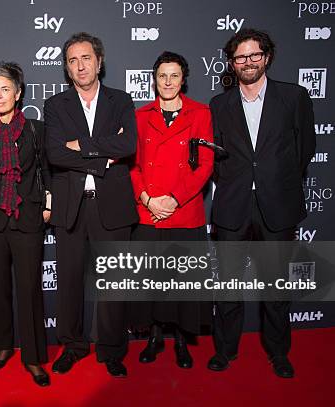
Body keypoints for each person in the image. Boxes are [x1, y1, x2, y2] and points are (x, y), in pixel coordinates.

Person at [208, 28, 316, 378]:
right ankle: (225, 351)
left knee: (276, 287)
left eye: (255, 55)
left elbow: (305, 150)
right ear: (231, 63)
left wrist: (274, 180)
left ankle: (279, 352)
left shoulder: (294, 97)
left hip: (277, 205)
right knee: (227, 287)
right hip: (232, 206)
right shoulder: (219, 104)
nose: (248, 62)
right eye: (241, 57)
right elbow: (218, 157)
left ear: (267, 57)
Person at [44, 32, 138, 377]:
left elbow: (127, 144)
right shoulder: (55, 105)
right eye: (72, 60)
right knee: (68, 281)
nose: (80, 66)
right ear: (67, 68)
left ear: (99, 62)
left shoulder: (121, 100)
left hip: (112, 205)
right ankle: (73, 345)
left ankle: (112, 349)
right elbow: (55, 153)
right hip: (72, 206)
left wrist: (79, 146)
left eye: (86, 58)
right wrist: (101, 156)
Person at [129, 51, 214, 369]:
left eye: (174, 75)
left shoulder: (201, 114)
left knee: (182, 282)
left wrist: (175, 199)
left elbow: (205, 165)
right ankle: (153, 337)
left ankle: (180, 340)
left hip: (184, 210)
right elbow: (132, 166)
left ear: (184, 79)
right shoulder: (139, 116)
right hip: (149, 212)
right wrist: (148, 199)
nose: (167, 81)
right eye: (162, 75)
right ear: (154, 79)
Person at [0, 61, 51, 387]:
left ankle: (34, 357)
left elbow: (48, 170)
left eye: (5, 89)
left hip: (28, 218)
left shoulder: (36, 129)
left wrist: (48, 205)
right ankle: (3, 345)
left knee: (29, 289)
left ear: (18, 93)